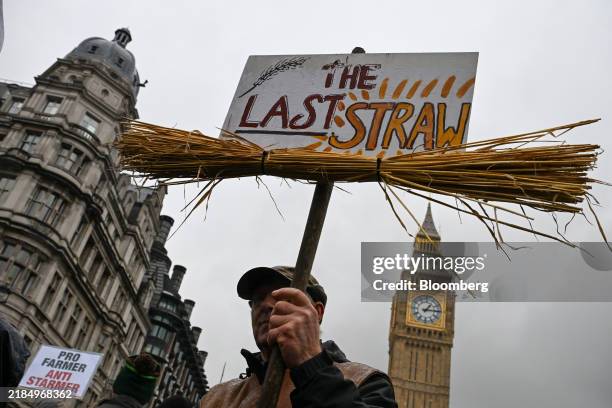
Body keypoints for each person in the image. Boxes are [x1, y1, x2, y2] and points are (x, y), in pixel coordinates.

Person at [200, 266, 397, 407]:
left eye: (281, 296)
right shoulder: (217, 399)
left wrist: (311, 365)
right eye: (258, 299)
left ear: (317, 312)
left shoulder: (365, 381)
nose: (266, 305)